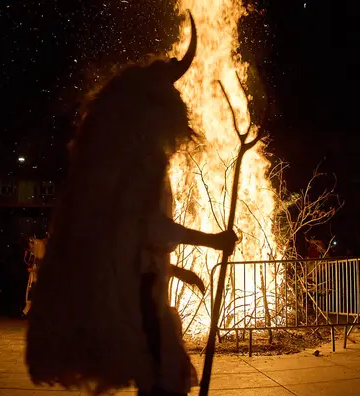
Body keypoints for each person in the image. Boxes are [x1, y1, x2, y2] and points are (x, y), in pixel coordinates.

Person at [25, 13, 238, 396]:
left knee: (158, 380)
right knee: (162, 381)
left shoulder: (132, 164)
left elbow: (133, 239)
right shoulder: (142, 165)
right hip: (141, 298)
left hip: (147, 289)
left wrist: (175, 272)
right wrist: (214, 241)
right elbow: (151, 229)